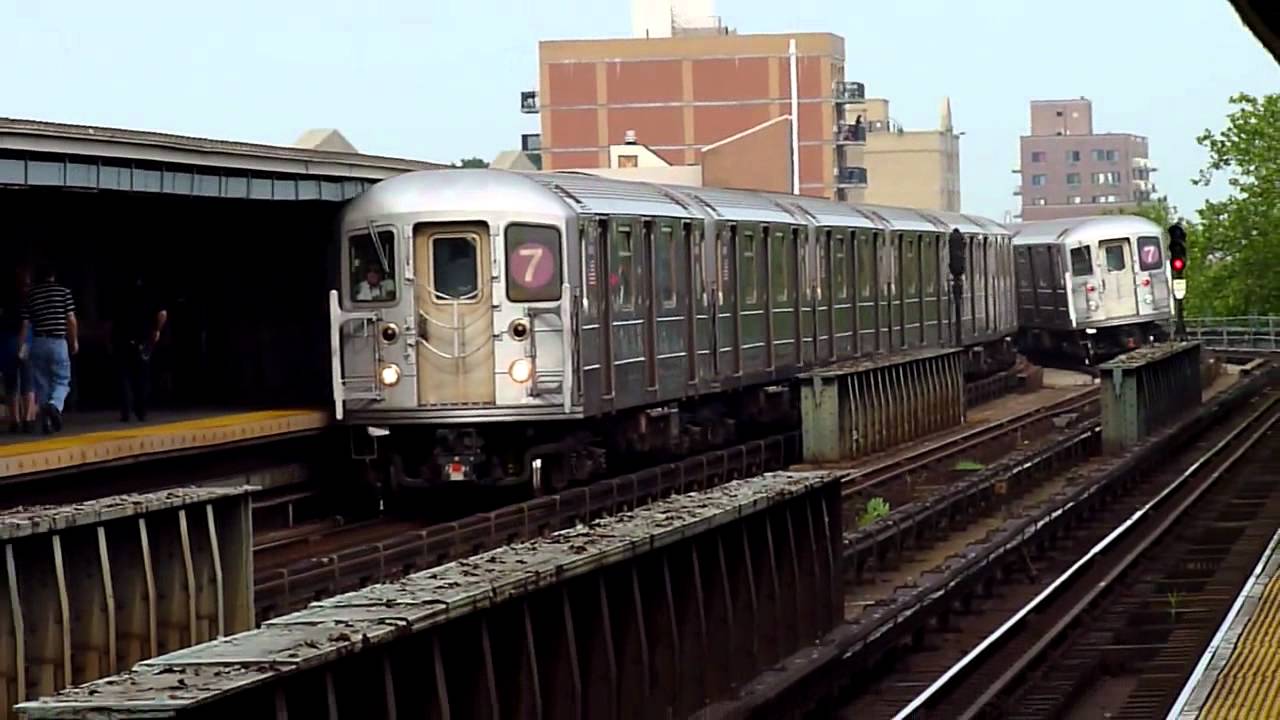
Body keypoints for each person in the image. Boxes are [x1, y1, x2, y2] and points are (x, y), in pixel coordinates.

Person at [18, 263, 77, 434]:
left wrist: (22, 347)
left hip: (38, 342)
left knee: (41, 383)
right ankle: (54, 405)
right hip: (58, 341)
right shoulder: (64, 292)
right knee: (62, 380)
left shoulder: (31, 295)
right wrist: (74, 341)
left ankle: (46, 423)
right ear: (54, 275)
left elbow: (25, 324)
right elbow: (71, 319)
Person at [110, 274, 167, 422]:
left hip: (121, 338)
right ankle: (141, 411)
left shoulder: (119, 292)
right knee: (142, 377)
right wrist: (157, 330)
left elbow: (111, 319)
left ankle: (126, 411)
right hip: (143, 338)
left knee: (123, 377)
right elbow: (162, 313)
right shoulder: (151, 293)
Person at [1, 267, 35, 433]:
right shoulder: (25, 300)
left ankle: (14, 419)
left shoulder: (4, 301)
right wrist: (22, 345)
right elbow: (25, 323)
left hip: (5, 343)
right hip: (24, 342)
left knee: (10, 383)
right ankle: (28, 419)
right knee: (28, 381)